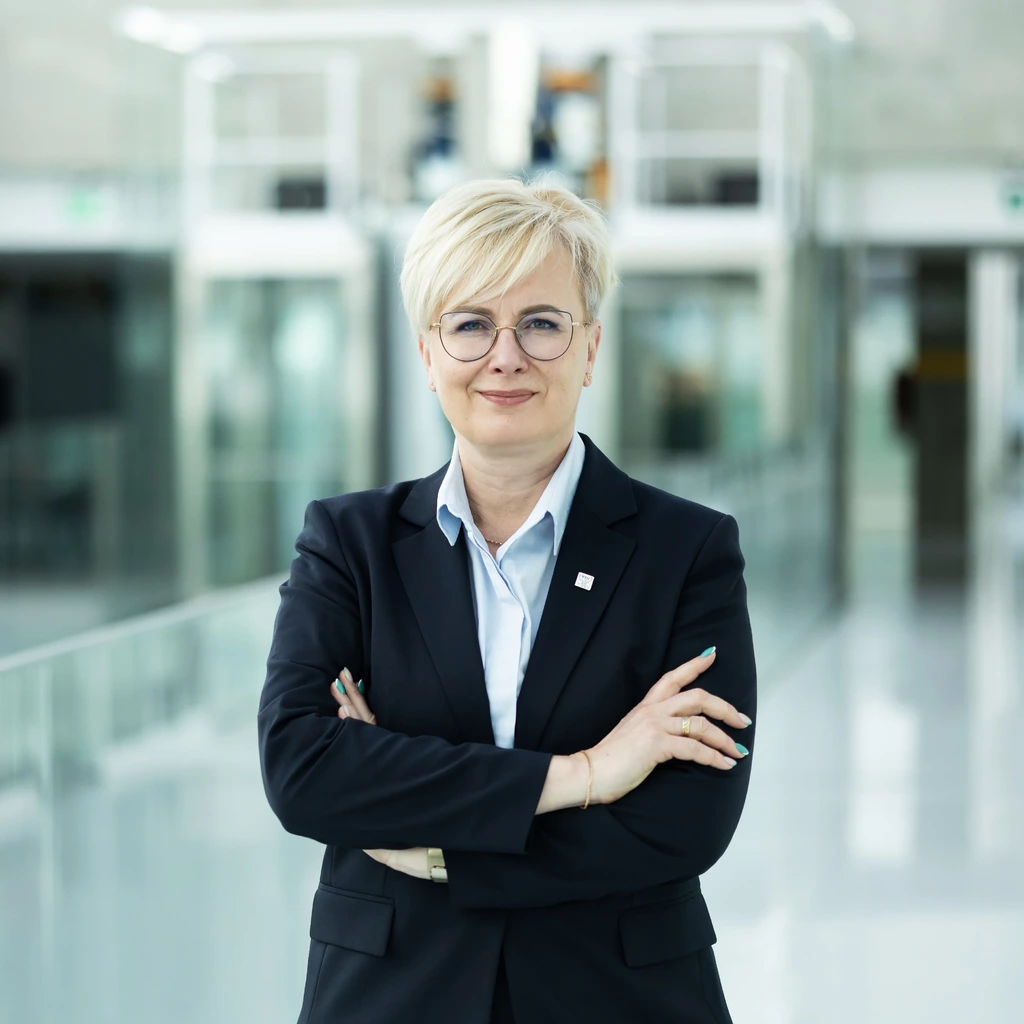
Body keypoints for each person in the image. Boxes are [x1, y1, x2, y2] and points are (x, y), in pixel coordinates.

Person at [258, 178, 757, 1024]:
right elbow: (303, 771)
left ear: (592, 346)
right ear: (427, 352)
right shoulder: (349, 544)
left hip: (616, 995)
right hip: (392, 993)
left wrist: (439, 853)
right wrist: (587, 775)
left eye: (542, 323)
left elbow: (685, 821)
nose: (505, 355)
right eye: (469, 324)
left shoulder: (687, 551)